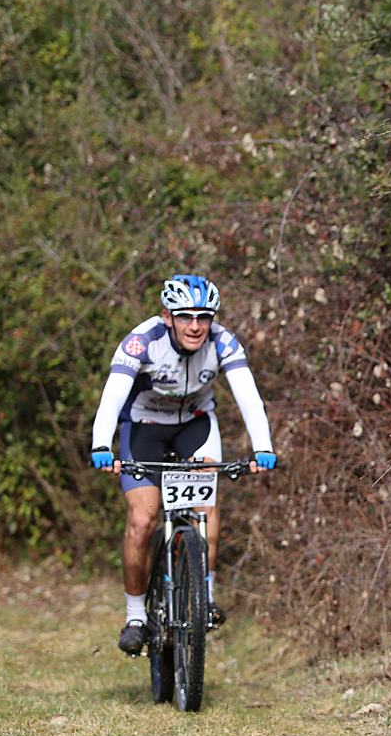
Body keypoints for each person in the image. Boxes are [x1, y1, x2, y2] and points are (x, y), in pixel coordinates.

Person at [89, 275, 278, 655]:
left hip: (195, 425)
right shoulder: (142, 342)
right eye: (186, 316)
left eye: (204, 317)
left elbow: (248, 396)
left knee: (207, 506)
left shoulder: (221, 342)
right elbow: (111, 399)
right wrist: (101, 445)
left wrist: (263, 448)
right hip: (143, 429)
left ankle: (204, 597)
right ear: (168, 316)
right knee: (143, 519)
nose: (196, 325)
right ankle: (136, 616)